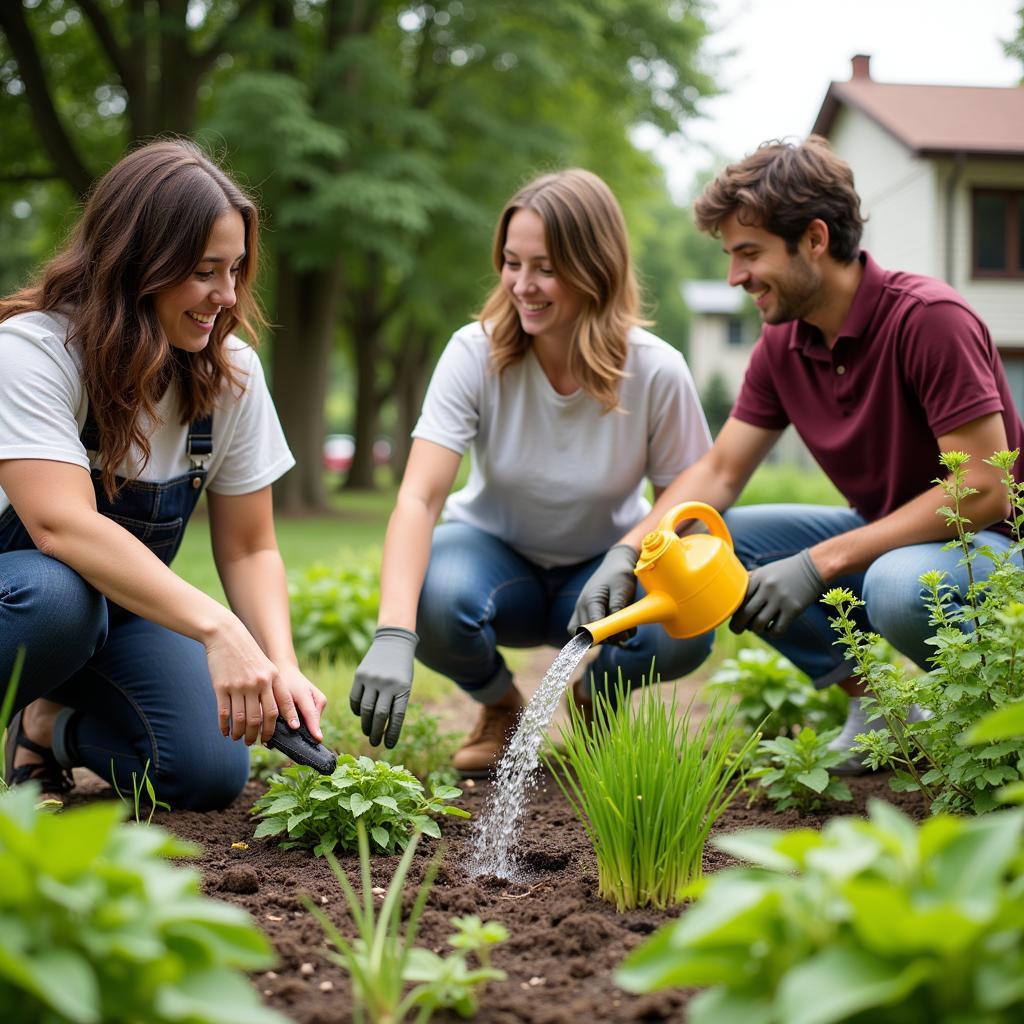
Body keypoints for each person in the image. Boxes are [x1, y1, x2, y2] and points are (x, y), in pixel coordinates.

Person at [572, 136, 1024, 772]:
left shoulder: (928, 320)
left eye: (749, 253)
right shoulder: (783, 344)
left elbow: (982, 489)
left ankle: (999, 732)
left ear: (814, 239)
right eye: (731, 256)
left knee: (900, 587)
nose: (735, 277)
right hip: (894, 538)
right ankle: (884, 713)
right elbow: (719, 471)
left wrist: (819, 563)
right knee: (726, 546)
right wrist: (630, 549)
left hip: (999, 557)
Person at [349, 168, 712, 775]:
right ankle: (501, 705)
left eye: (545, 267)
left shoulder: (656, 370)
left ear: (595, 267)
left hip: (601, 572)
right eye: (511, 263)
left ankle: (596, 698)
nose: (523, 285)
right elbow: (419, 496)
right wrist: (393, 632)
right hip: (493, 558)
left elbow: (690, 491)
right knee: (432, 599)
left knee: (683, 628)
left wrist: (627, 554)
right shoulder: (475, 352)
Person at [0, 139, 326, 808]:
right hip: (26, 603)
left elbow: (250, 544)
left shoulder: (228, 372)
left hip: (117, 612)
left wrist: (278, 662)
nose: (226, 296)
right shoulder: (33, 352)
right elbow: (60, 525)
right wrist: (219, 628)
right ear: (138, 263)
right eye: (206, 271)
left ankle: (46, 728)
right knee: (58, 598)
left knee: (207, 772)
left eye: (236, 270)